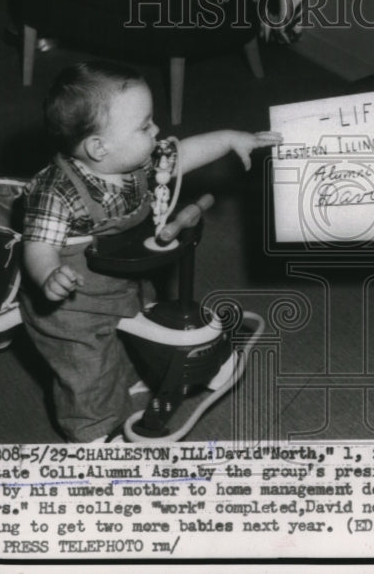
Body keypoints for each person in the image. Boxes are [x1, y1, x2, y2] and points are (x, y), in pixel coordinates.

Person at [20, 61, 280, 442]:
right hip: (70, 306)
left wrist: (228, 139)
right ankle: (92, 433)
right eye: (145, 125)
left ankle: (129, 378)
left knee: (134, 330)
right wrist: (48, 273)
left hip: (123, 279)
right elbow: (38, 245)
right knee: (87, 366)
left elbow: (185, 153)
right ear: (98, 147)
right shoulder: (56, 192)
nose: (157, 131)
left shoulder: (140, 161)